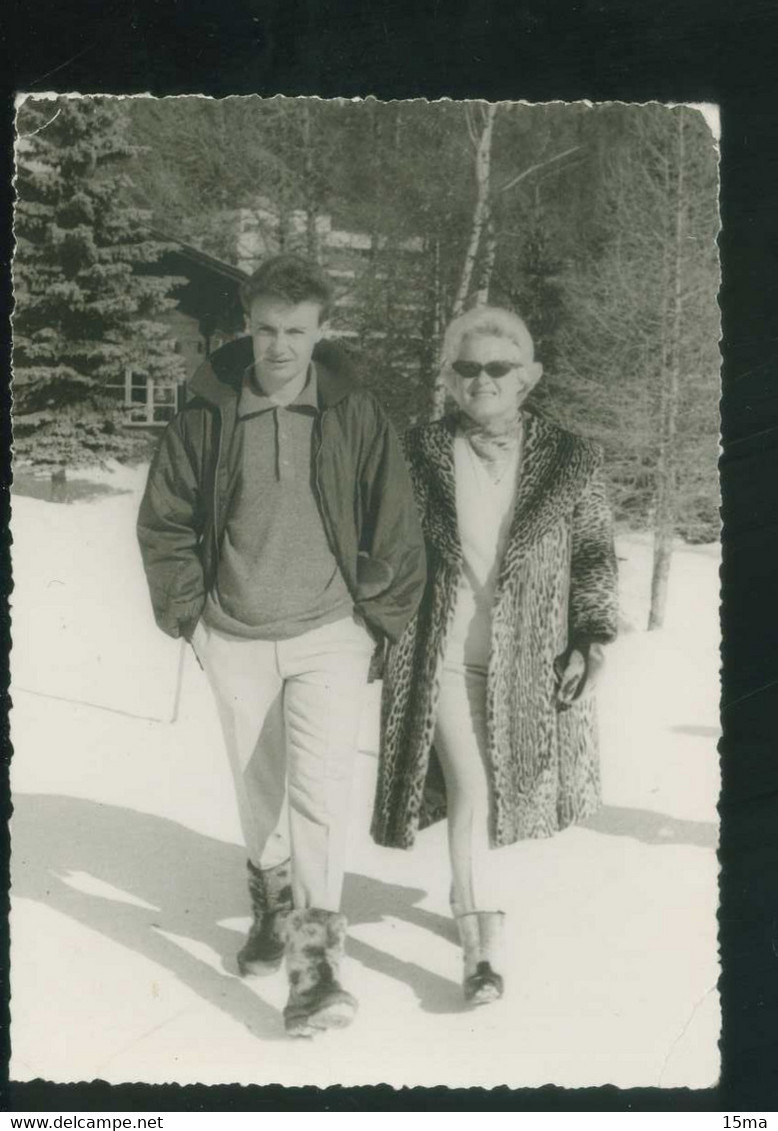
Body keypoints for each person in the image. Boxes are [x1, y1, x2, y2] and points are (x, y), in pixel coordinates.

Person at [137, 254, 426, 1037]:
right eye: (266, 328)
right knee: (259, 787)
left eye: (296, 330)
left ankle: (315, 963)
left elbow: (397, 524)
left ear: (321, 329)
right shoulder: (208, 408)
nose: (279, 346)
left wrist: (376, 621)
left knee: (320, 791)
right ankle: (269, 901)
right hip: (233, 630)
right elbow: (165, 518)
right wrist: (191, 616)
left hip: (329, 630)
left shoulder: (351, 411)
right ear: (247, 324)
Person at [372, 305, 618, 1006]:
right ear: (450, 379)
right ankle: (481, 953)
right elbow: (381, 543)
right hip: (437, 653)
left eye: (499, 368)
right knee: (475, 788)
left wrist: (592, 636)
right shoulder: (414, 451)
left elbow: (595, 555)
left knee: (494, 797)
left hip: (525, 662)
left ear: (528, 377)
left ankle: (465, 886)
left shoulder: (573, 458)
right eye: (467, 368)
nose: (483, 381)